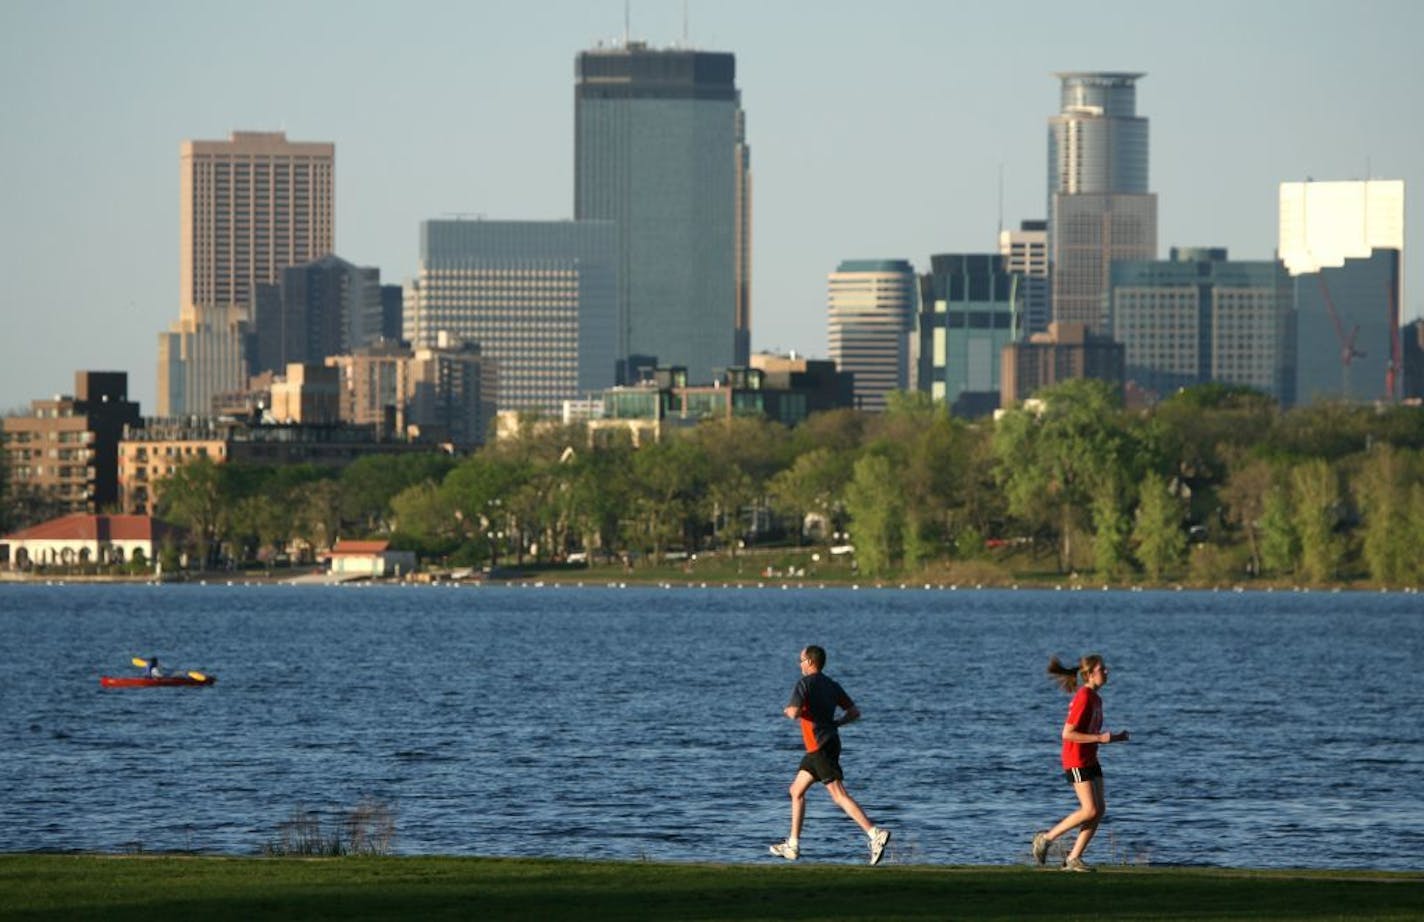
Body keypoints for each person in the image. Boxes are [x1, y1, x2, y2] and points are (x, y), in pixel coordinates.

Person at [768, 644, 891, 865]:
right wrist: (837, 723)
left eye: (801, 660)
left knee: (838, 794)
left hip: (818, 746)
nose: (799, 664)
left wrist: (788, 711)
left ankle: (875, 834)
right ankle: (793, 845)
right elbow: (854, 712)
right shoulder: (832, 685)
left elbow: (794, 712)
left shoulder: (804, 684)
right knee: (796, 790)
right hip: (828, 743)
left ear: (810, 662)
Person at [1030, 654, 1129, 872]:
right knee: (1090, 809)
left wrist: (1116, 738)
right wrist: (1100, 738)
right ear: (1090, 674)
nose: (1107, 672)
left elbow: (1092, 731)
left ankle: (1073, 858)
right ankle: (1045, 839)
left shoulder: (1096, 698)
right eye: (1102, 669)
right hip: (1075, 759)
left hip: (1090, 758)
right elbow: (1068, 733)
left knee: (1099, 809)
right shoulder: (1084, 696)